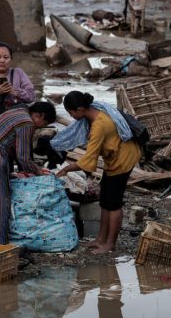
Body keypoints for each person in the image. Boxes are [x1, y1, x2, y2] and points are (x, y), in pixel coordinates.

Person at [53, 91, 142, 254]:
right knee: (104, 200)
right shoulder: (95, 110)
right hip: (114, 157)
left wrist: (65, 170)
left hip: (123, 160)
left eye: (71, 112)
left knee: (113, 204)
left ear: (80, 109)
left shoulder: (98, 126)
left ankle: (110, 243)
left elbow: (88, 161)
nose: (72, 117)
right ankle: (100, 239)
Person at [0, 101, 56, 244]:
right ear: (40, 115)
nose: (40, 126)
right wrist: (38, 171)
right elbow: (23, 157)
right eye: (44, 122)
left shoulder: (17, 111)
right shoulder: (27, 122)